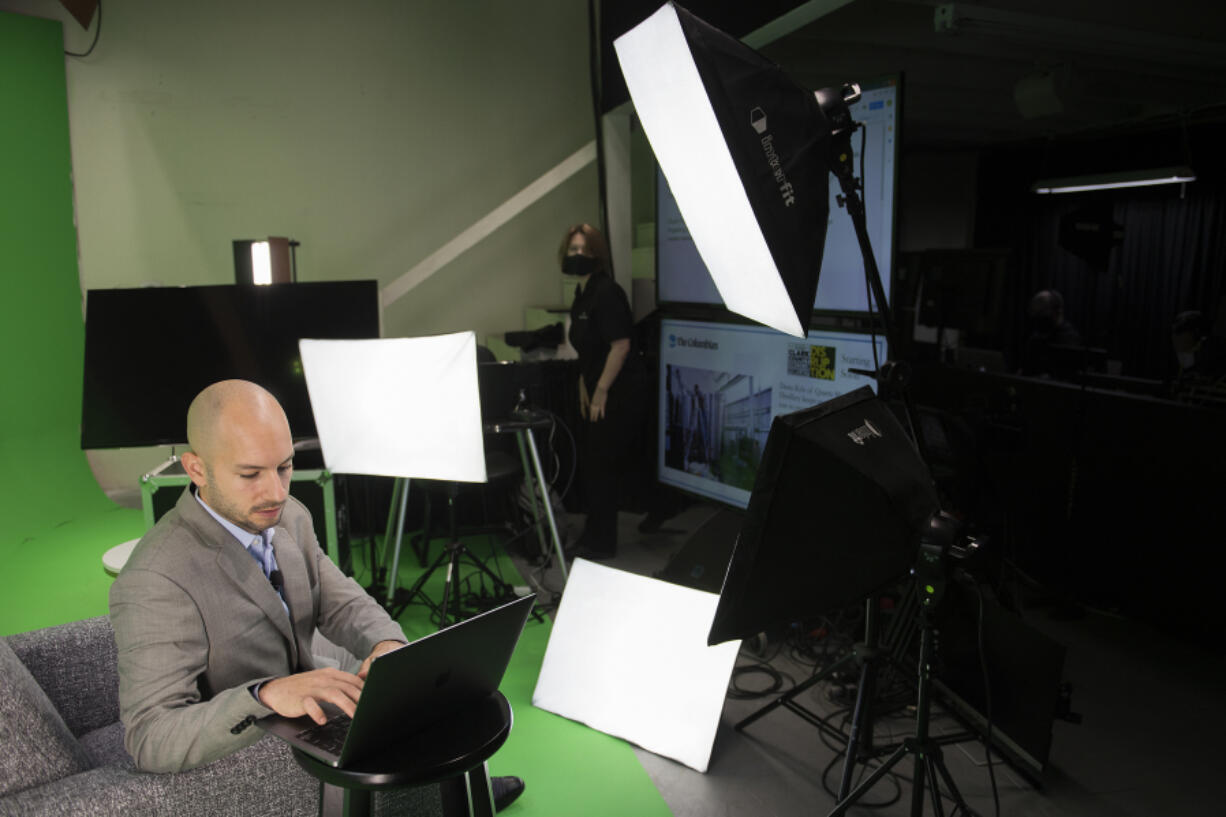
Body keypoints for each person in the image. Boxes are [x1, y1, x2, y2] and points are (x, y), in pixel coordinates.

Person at [109, 380, 524, 808]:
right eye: (250, 474)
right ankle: (438, 802)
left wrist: (387, 647)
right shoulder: (155, 578)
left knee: (425, 680)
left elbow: (339, 598)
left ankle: (450, 790)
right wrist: (264, 694)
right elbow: (151, 737)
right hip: (255, 732)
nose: (277, 492)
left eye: (284, 467)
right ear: (197, 469)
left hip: (313, 680)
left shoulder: (289, 516)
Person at [561, 223, 647, 559]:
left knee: (602, 467)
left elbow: (621, 345)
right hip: (596, 386)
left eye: (584, 250)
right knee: (593, 465)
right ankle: (594, 533)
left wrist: (600, 391)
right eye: (572, 250)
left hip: (619, 392)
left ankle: (601, 543)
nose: (577, 255)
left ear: (597, 255)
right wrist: (585, 383)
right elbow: (587, 347)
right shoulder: (582, 294)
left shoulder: (607, 292)